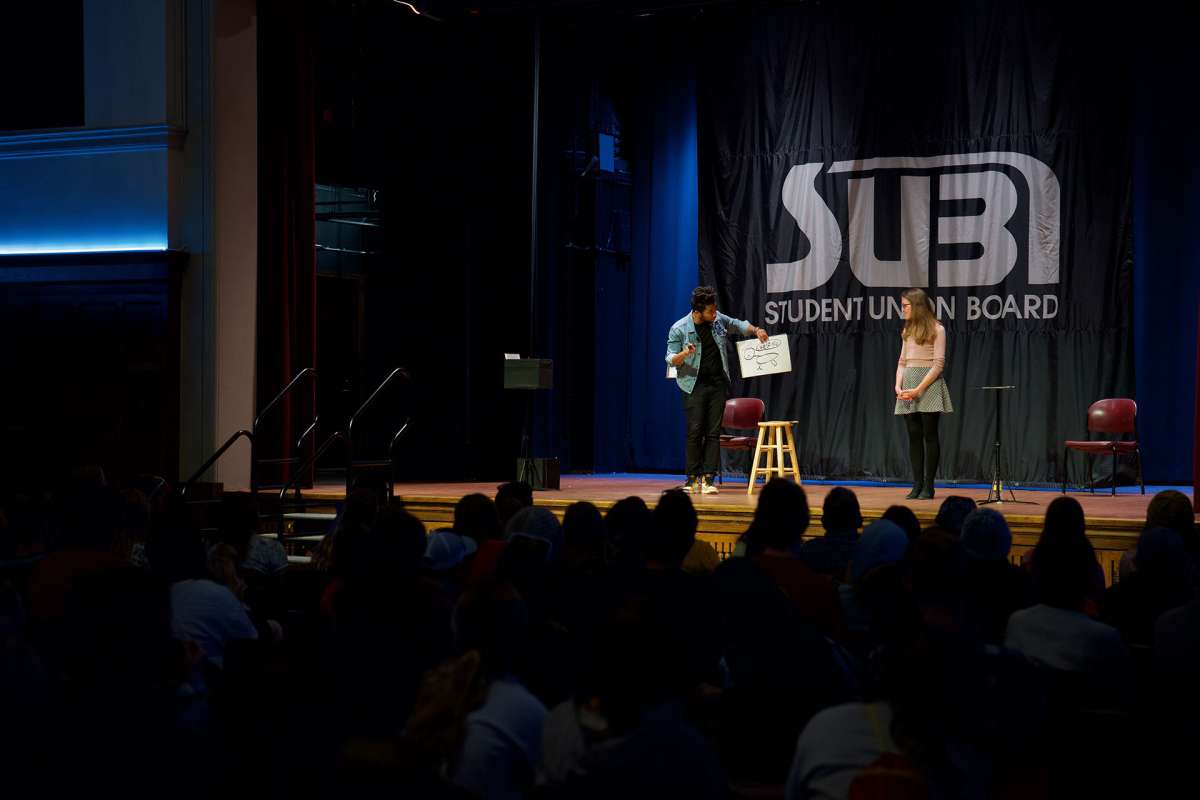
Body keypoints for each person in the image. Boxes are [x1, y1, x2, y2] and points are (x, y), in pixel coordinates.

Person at [665, 285, 769, 495]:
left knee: (713, 433)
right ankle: (692, 479)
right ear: (697, 312)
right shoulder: (679, 328)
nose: (714, 314)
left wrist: (756, 330)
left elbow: (738, 325)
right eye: (710, 311)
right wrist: (685, 353)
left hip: (717, 385)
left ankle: (708, 479)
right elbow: (670, 358)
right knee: (695, 432)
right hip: (692, 385)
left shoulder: (718, 320)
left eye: (715, 310)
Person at [894, 287, 952, 499]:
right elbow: (902, 361)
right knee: (913, 436)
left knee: (929, 435)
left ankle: (929, 485)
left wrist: (919, 389)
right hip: (908, 384)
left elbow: (938, 365)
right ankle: (916, 483)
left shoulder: (938, 329)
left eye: (905, 306)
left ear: (917, 306)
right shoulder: (907, 330)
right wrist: (898, 386)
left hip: (928, 385)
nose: (903, 310)